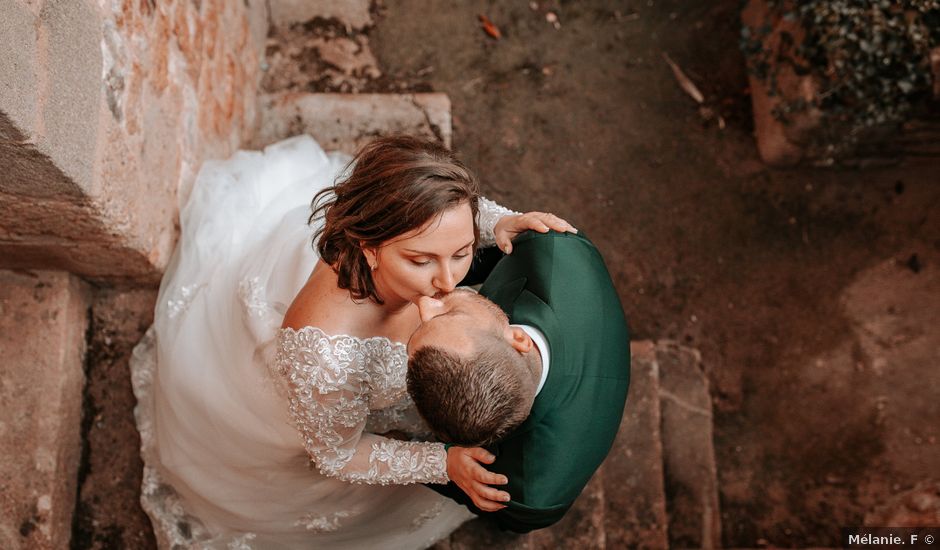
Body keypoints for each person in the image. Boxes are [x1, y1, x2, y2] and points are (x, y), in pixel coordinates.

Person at [130, 134, 575, 549]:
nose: (447, 281)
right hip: (320, 415)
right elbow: (338, 455)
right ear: (368, 246)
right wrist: (442, 463)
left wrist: (501, 221)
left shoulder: (421, 241)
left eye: (460, 254)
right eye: (421, 261)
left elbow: (453, 221)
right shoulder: (323, 353)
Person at [406, 229, 631, 533]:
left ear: (519, 338)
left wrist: (441, 461)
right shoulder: (552, 249)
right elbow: (494, 253)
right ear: (516, 339)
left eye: (447, 315)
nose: (423, 304)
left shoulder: (532, 499)